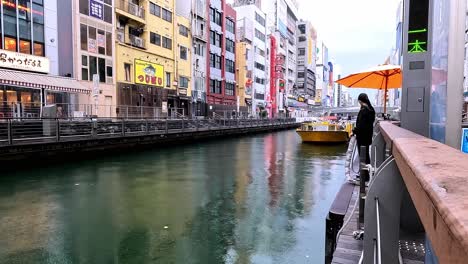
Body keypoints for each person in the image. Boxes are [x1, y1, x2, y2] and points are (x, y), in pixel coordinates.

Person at [352, 93, 376, 165]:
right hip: (368, 136)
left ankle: (364, 174)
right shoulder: (371, 109)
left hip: (362, 137)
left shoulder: (363, 111)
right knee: (366, 154)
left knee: (362, 155)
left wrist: (354, 131)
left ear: (360, 101)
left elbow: (361, 125)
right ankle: (367, 172)